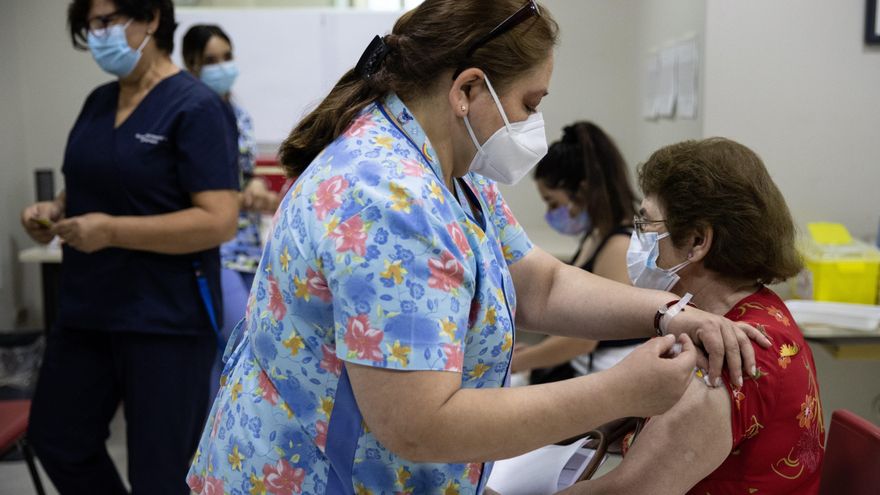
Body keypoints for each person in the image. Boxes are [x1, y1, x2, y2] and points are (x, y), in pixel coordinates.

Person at [186, 2, 768, 494]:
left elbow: (540, 282)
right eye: (530, 105)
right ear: (468, 89)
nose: (533, 124)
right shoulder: (388, 200)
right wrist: (618, 391)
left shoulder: (453, 169)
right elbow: (417, 424)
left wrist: (665, 313)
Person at [19, 1, 239, 493]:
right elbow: (90, 181)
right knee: (58, 439)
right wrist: (52, 211)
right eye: (91, 26)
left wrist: (113, 231)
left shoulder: (196, 106)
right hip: (86, 312)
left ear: (152, 19)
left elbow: (219, 220)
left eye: (107, 21)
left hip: (164, 318)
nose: (98, 35)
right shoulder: (98, 102)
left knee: (158, 474)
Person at [565, 138, 825, 494]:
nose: (636, 242)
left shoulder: (727, 353)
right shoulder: (748, 310)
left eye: (647, 224)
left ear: (698, 241)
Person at [182, 23, 280, 399]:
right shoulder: (187, 116)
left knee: (224, 354)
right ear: (191, 65)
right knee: (242, 340)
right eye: (210, 60)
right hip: (214, 248)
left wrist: (256, 188)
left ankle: (211, 444)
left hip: (248, 248)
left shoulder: (238, 115)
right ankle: (215, 442)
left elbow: (246, 173)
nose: (222, 67)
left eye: (226, 57)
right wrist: (239, 198)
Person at [512, 121, 644, 382]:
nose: (551, 214)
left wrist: (519, 361)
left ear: (582, 190)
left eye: (553, 202)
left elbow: (586, 338)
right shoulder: (596, 237)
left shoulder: (618, 247)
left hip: (607, 376)